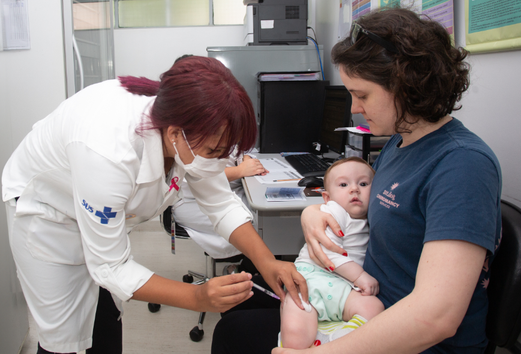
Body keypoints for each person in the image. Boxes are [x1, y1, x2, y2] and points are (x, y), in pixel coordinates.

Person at [212, 7, 502, 354]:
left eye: (362, 95)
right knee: (237, 304)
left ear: (406, 85)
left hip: (414, 337)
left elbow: (434, 318)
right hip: (365, 298)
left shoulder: (462, 165)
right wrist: (313, 214)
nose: (354, 108)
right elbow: (378, 211)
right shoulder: (400, 142)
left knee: (234, 334)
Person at [1, 56, 307, 354]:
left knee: (105, 321)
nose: (219, 161)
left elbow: (220, 203)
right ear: (174, 134)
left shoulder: (183, 127)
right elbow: (111, 266)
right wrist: (196, 297)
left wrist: (267, 263)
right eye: (214, 151)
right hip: (49, 215)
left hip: (97, 207)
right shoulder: (108, 151)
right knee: (62, 340)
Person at [280, 157, 383, 349]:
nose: (354, 189)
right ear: (327, 198)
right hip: (310, 283)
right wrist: (360, 276)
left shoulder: (368, 218)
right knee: (295, 335)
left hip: (344, 287)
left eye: (363, 184)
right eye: (344, 184)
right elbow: (326, 252)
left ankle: (334, 340)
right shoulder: (335, 211)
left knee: (373, 308)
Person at [172, 152, 268, 260]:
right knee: (260, 221)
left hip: (225, 189)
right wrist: (240, 170)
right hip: (193, 200)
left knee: (261, 215)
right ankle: (250, 265)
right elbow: (200, 175)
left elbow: (238, 151)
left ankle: (253, 264)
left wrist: (246, 159)